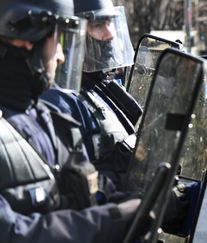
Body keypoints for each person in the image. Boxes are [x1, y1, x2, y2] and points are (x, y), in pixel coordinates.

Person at [0, 0, 141, 242]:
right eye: (58, 42)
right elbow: (12, 232)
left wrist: (144, 201)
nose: (62, 56)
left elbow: (87, 188)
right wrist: (111, 219)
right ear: (25, 39)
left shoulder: (48, 120)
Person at [41, 0, 137, 192]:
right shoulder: (58, 100)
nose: (110, 33)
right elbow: (74, 184)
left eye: (110, 22)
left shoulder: (98, 86)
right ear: (69, 35)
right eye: (98, 24)